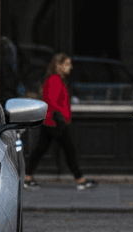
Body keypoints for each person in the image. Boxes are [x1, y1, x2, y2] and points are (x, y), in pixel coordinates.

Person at [23, 53, 96, 191]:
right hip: (54, 123)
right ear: (58, 65)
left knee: (40, 150)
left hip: (51, 122)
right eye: (67, 64)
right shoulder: (54, 80)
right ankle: (80, 180)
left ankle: (27, 177)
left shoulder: (57, 80)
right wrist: (60, 120)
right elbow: (52, 103)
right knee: (69, 150)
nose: (70, 67)